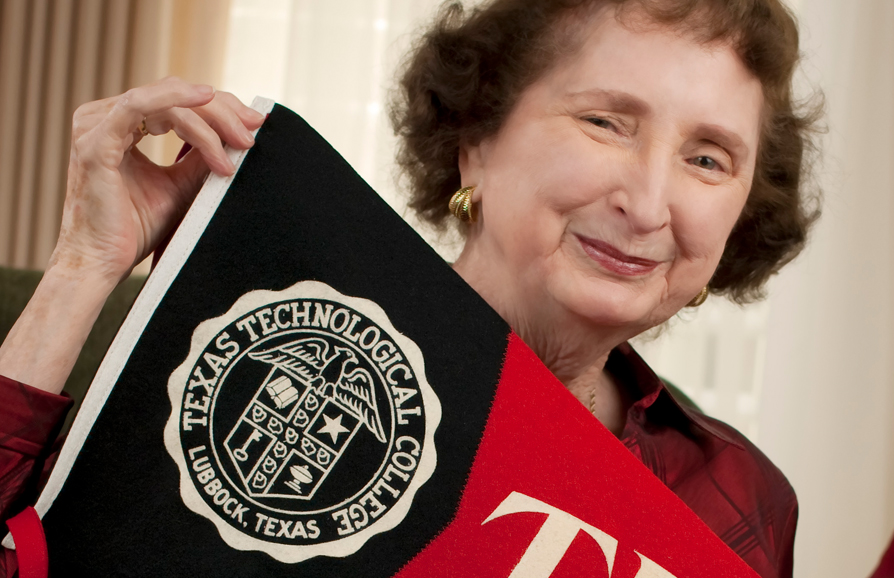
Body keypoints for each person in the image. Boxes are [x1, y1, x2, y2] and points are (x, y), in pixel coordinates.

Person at [0, 0, 820, 576]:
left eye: (709, 158)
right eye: (606, 121)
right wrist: (85, 264)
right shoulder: (256, 344)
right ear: (475, 145)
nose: (647, 202)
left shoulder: (740, 504)